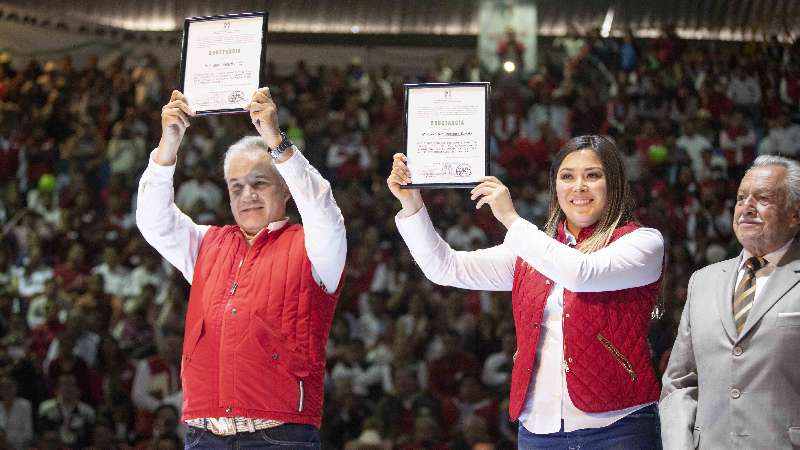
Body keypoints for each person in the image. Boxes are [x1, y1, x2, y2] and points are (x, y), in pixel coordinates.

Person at [387, 135, 664, 449]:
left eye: (593, 175)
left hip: (619, 425)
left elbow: (581, 274)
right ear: (555, 186)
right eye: (567, 176)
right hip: (538, 429)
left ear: (614, 184)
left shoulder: (642, 242)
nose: (579, 186)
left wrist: (510, 218)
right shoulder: (533, 249)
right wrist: (412, 205)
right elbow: (445, 267)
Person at [136, 88, 346, 448]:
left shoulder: (315, 247)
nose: (247, 194)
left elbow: (322, 207)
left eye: (259, 183)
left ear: (285, 190)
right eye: (236, 187)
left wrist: (278, 144)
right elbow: (153, 222)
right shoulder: (207, 244)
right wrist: (168, 146)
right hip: (204, 434)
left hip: (279, 434)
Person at [660, 155, 800, 449]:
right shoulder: (703, 281)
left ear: (794, 215)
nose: (747, 207)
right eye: (740, 198)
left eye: (763, 198)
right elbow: (680, 382)